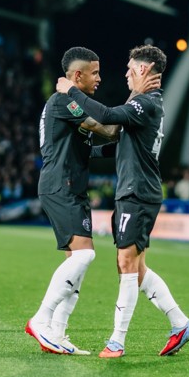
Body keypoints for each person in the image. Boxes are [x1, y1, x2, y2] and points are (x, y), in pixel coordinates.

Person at [57, 45, 189, 359]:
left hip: (138, 194)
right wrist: (81, 150)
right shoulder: (142, 105)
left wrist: (70, 92)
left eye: (130, 68)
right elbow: (118, 144)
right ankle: (180, 323)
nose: (126, 73)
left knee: (126, 264)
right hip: (132, 192)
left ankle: (117, 341)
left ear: (145, 70)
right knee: (136, 267)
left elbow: (106, 116)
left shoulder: (146, 103)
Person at [25, 47, 159, 355]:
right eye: (95, 73)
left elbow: (97, 145)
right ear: (77, 76)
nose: (100, 78)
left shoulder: (69, 106)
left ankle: (57, 333)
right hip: (60, 186)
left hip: (73, 187)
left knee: (78, 261)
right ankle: (40, 319)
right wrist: (136, 97)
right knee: (83, 257)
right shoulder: (63, 100)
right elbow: (110, 128)